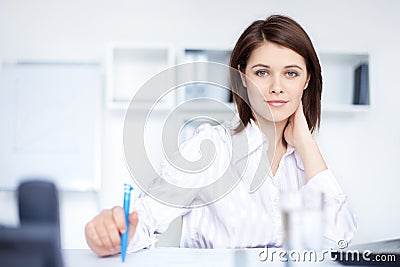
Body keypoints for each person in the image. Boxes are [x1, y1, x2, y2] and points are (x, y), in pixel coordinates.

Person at [85, 14, 357, 256]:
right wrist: (113, 233)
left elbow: (340, 243)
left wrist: (307, 145)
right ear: (241, 77)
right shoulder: (209, 146)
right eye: (262, 72)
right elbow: (145, 220)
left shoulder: (306, 160)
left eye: (291, 73)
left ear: (307, 79)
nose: (276, 87)